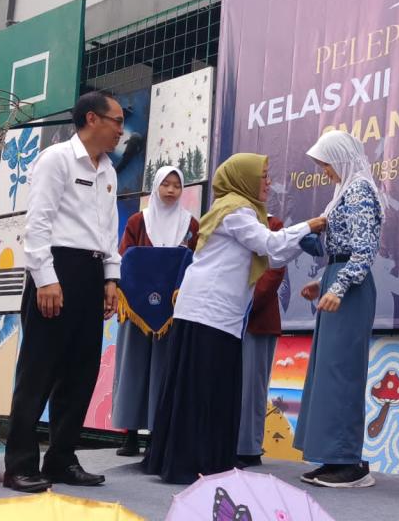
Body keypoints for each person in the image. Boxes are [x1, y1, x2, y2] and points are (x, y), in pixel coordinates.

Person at [143, 153, 326, 484]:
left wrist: (299, 244)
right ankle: (191, 462)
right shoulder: (236, 209)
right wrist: (308, 226)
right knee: (203, 388)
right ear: (244, 178)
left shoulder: (239, 209)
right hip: (207, 312)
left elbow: (268, 257)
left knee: (211, 387)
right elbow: (268, 243)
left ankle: (205, 459)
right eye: (263, 176)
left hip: (216, 314)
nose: (268, 183)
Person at [5, 91, 124, 493]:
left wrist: (111, 278)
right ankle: (20, 464)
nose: (121, 131)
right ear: (92, 118)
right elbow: (38, 221)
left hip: (92, 273)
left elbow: (109, 230)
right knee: (38, 370)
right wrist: (45, 278)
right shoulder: (55, 159)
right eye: (116, 121)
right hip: (57, 269)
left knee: (81, 370)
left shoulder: (108, 170)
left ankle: (61, 458)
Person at [294, 130, 383, 489]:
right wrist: (323, 279)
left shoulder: (359, 189)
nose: (324, 172)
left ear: (341, 159)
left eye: (326, 164)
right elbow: (339, 246)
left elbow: (364, 249)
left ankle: (348, 463)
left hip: (352, 289)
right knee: (328, 373)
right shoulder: (344, 191)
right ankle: (333, 457)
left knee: (342, 372)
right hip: (339, 279)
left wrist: (340, 285)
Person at [112, 166, 199, 456]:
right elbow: (126, 257)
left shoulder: (191, 225)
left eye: (177, 185)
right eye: (166, 184)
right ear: (156, 187)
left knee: (164, 370)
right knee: (134, 368)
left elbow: (196, 262)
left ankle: (157, 434)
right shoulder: (139, 220)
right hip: (137, 308)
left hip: (173, 312)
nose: (172, 190)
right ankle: (130, 434)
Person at [236, 214, 286, 468]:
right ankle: (226, 443)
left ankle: (248, 448)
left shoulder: (272, 225)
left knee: (251, 387)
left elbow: (274, 269)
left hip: (256, 317)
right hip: (225, 316)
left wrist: (243, 302)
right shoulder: (229, 218)